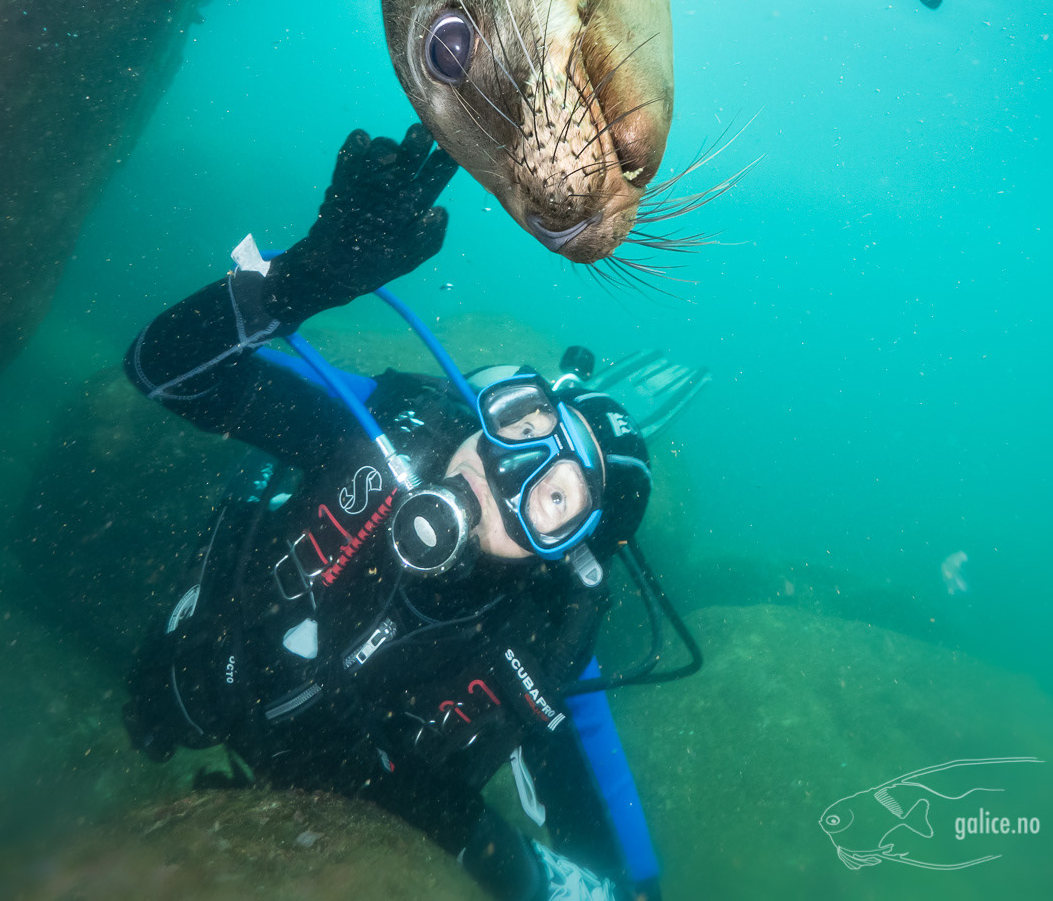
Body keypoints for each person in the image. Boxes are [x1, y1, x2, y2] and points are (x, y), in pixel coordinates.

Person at [122, 125, 662, 901]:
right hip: (203, 674)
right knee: (152, 708)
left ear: (562, 554)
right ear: (487, 400)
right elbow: (162, 369)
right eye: (523, 423)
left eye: (554, 500)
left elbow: (623, 876)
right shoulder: (385, 435)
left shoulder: (541, 640)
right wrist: (302, 281)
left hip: (331, 810)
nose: (504, 472)